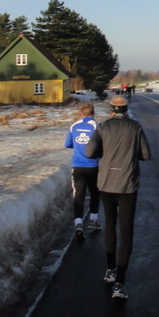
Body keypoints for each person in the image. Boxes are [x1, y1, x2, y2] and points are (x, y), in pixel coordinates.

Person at [85, 95, 152, 300]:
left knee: (110, 225)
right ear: (127, 110)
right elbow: (146, 155)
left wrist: (103, 151)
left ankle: (110, 269)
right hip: (127, 185)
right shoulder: (135, 127)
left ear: (112, 110)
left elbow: (89, 153)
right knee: (126, 231)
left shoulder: (103, 128)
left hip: (106, 183)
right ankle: (120, 283)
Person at [64, 102, 101, 239]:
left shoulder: (74, 126)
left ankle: (78, 223)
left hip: (78, 167)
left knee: (78, 195)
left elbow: (67, 144)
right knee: (95, 193)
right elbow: (101, 145)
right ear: (93, 113)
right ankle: (93, 220)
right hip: (93, 166)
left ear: (81, 114)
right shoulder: (97, 126)